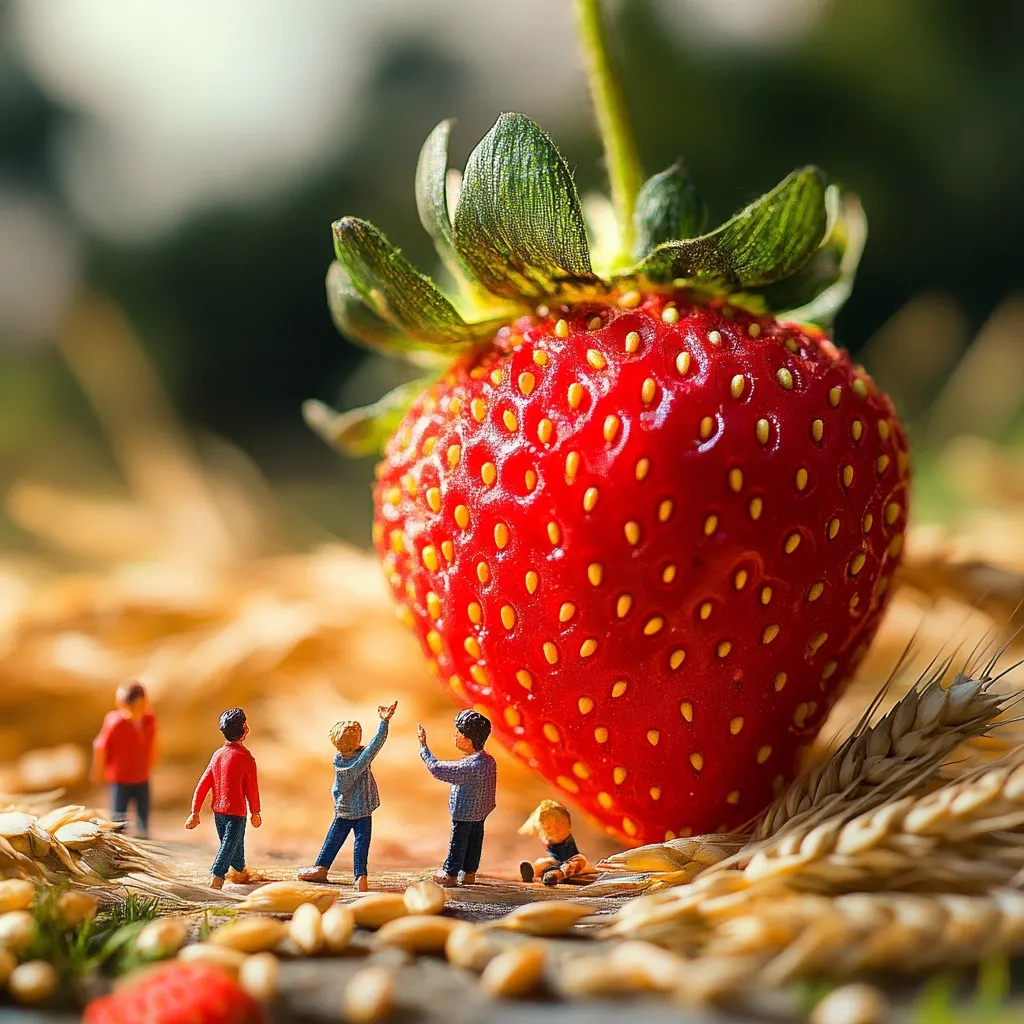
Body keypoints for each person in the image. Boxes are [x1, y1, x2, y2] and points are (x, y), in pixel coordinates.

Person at [297, 701, 397, 890]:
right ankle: (360, 877)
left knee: (333, 840)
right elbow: (376, 745)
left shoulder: (339, 760)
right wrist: (384, 722)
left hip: (344, 809)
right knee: (361, 844)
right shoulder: (361, 760)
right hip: (362, 810)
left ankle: (321, 868)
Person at [417, 710, 496, 887]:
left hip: (464, 812)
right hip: (482, 811)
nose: (454, 736)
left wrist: (423, 748)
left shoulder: (469, 766)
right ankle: (469, 872)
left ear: (468, 739)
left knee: (458, 842)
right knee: (475, 842)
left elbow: (437, 768)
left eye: (457, 733)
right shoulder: (489, 761)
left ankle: (450, 873)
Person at [185, 708, 261, 889]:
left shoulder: (217, 755)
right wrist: (255, 812)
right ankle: (217, 875)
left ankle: (240, 870)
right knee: (228, 845)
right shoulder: (246, 758)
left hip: (218, 813)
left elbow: (203, 785)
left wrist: (195, 811)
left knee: (235, 844)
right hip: (236, 813)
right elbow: (252, 789)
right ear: (244, 729)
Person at [91, 681, 157, 838]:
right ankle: (119, 840)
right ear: (122, 705)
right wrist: (98, 770)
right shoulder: (115, 723)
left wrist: (151, 762)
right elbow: (100, 747)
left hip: (141, 776)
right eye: (132, 707)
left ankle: (144, 838)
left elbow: (154, 741)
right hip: (120, 779)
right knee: (119, 817)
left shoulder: (149, 719)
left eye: (141, 706)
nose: (137, 711)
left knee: (143, 813)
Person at [518, 799, 593, 886]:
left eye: (556, 824)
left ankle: (555, 875)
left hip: (571, 865)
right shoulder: (547, 837)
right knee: (540, 863)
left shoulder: (563, 833)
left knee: (581, 859)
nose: (552, 829)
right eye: (548, 826)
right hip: (554, 864)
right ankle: (534, 873)